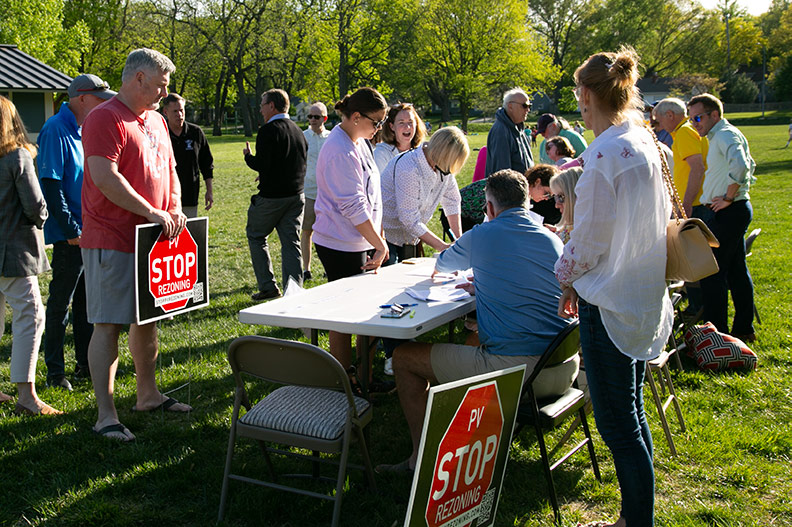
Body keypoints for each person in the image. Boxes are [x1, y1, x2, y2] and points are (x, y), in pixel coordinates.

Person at [377, 170, 577, 473]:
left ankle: (421, 459)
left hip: (521, 374)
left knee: (403, 357)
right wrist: (485, 282)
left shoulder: (483, 234)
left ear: (490, 208)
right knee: (473, 338)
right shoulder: (550, 239)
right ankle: (465, 430)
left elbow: (443, 264)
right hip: (564, 367)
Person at [555, 47, 673, 527]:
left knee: (619, 423)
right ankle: (634, 516)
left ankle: (636, 521)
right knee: (632, 413)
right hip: (640, 292)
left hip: (610, 299)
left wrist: (563, 277)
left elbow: (588, 241)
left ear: (585, 95)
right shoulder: (643, 139)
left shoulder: (605, 152)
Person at [81, 48, 191, 442]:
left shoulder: (158, 121)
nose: (165, 93)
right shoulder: (103, 117)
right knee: (108, 323)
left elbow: (171, 171)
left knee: (148, 318)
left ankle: (148, 395)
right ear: (139, 78)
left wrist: (173, 209)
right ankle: (105, 415)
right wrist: (151, 211)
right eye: (161, 85)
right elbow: (104, 176)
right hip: (111, 237)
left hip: (153, 238)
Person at [37, 74, 114, 391]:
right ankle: (55, 372)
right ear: (82, 98)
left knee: (86, 304)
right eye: (100, 98)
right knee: (60, 304)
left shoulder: (84, 129)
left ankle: (84, 364)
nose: (104, 103)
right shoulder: (55, 129)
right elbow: (51, 185)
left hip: (91, 231)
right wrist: (70, 228)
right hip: (71, 234)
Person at [312, 87, 389, 378]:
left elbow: (372, 196)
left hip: (360, 240)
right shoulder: (339, 149)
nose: (379, 128)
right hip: (340, 244)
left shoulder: (357, 140)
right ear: (356, 117)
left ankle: (364, 377)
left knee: (364, 313)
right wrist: (380, 245)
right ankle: (347, 380)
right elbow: (353, 206)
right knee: (345, 316)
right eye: (376, 122)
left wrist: (376, 237)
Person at [0, 96, 61, 415]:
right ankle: (26, 394)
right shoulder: (17, 156)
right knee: (32, 315)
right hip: (13, 251)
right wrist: (43, 218)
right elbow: (35, 206)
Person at [687, 93, 757, 342]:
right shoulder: (721, 135)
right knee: (737, 271)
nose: (695, 123)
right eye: (691, 118)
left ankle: (717, 336)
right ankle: (743, 330)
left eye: (698, 117)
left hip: (729, 210)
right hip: (732, 209)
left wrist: (728, 196)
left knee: (712, 273)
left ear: (714, 115)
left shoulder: (724, 135)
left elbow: (742, 166)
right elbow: (751, 164)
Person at [244, 89, 307, 300]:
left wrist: (248, 157)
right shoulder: (298, 131)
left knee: (256, 235)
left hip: (272, 198)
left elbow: (263, 164)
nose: (260, 109)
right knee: (291, 243)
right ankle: (294, 290)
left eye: (262, 104)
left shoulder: (268, 131)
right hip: (296, 196)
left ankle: (268, 286)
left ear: (272, 105)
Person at [381, 126, 468, 262]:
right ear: (442, 155)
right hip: (387, 235)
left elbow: (452, 201)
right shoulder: (409, 168)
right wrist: (442, 246)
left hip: (410, 238)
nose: (448, 172)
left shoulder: (443, 165)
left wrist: (458, 240)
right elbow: (409, 218)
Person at [162, 92, 214, 219]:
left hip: (190, 195)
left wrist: (209, 191)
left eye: (181, 110)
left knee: (188, 234)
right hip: (165, 199)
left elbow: (206, 164)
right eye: (175, 111)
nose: (179, 115)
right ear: (165, 112)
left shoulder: (195, 133)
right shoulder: (160, 134)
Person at [652, 97, 707, 219]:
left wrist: (686, 204)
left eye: (659, 121)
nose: (659, 126)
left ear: (670, 115)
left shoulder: (684, 132)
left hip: (696, 204)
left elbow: (697, 168)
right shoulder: (688, 129)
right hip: (698, 201)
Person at [301, 102, 331, 281]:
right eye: (310, 117)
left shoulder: (332, 138)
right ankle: (306, 270)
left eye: (316, 117)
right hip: (308, 192)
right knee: (307, 231)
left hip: (328, 193)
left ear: (324, 119)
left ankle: (329, 267)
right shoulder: (303, 137)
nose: (312, 120)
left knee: (328, 232)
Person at [484, 88, 533, 177]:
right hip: (509, 189)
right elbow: (502, 173)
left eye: (530, 106)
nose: (528, 110)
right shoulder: (501, 131)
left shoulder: (519, 129)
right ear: (510, 106)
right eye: (524, 105)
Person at [373, 102, 426, 173]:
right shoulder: (381, 153)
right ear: (392, 126)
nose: (407, 127)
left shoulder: (423, 152)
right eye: (401, 122)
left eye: (410, 122)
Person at [548, 166, 583, 244]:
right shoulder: (570, 225)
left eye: (561, 197)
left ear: (573, 197)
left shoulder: (583, 233)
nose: (556, 205)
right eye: (555, 197)